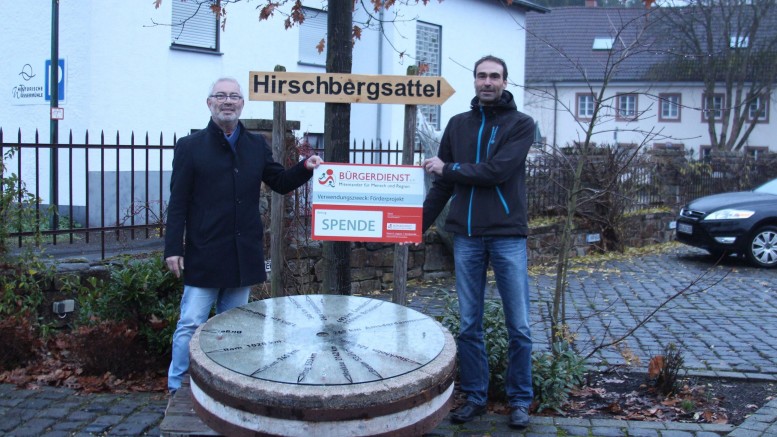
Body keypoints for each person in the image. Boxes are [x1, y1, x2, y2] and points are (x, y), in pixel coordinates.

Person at [164, 77, 322, 394]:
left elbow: (279, 180)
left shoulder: (254, 146)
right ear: (209, 103)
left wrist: (305, 166)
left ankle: (225, 383)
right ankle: (177, 384)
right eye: (220, 96)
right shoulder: (190, 147)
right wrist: (172, 249)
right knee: (191, 323)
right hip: (205, 251)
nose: (227, 101)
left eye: (234, 96)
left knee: (235, 328)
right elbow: (178, 203)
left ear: (241, 105)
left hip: (242, 253)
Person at [421, 55, 535, 429]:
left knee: (518, 325)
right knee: (470, 324)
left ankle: (520, 400)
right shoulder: (458, 125)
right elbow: (444, 185)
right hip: (466, 237)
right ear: (474, 81)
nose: (488, 82)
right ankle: (475, 397)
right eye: (482, 76)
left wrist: (448, 167)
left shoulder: (521, 125)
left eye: (495, 76)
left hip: (506, 236)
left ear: (505, 81)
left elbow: (496, 172)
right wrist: (416, 226)